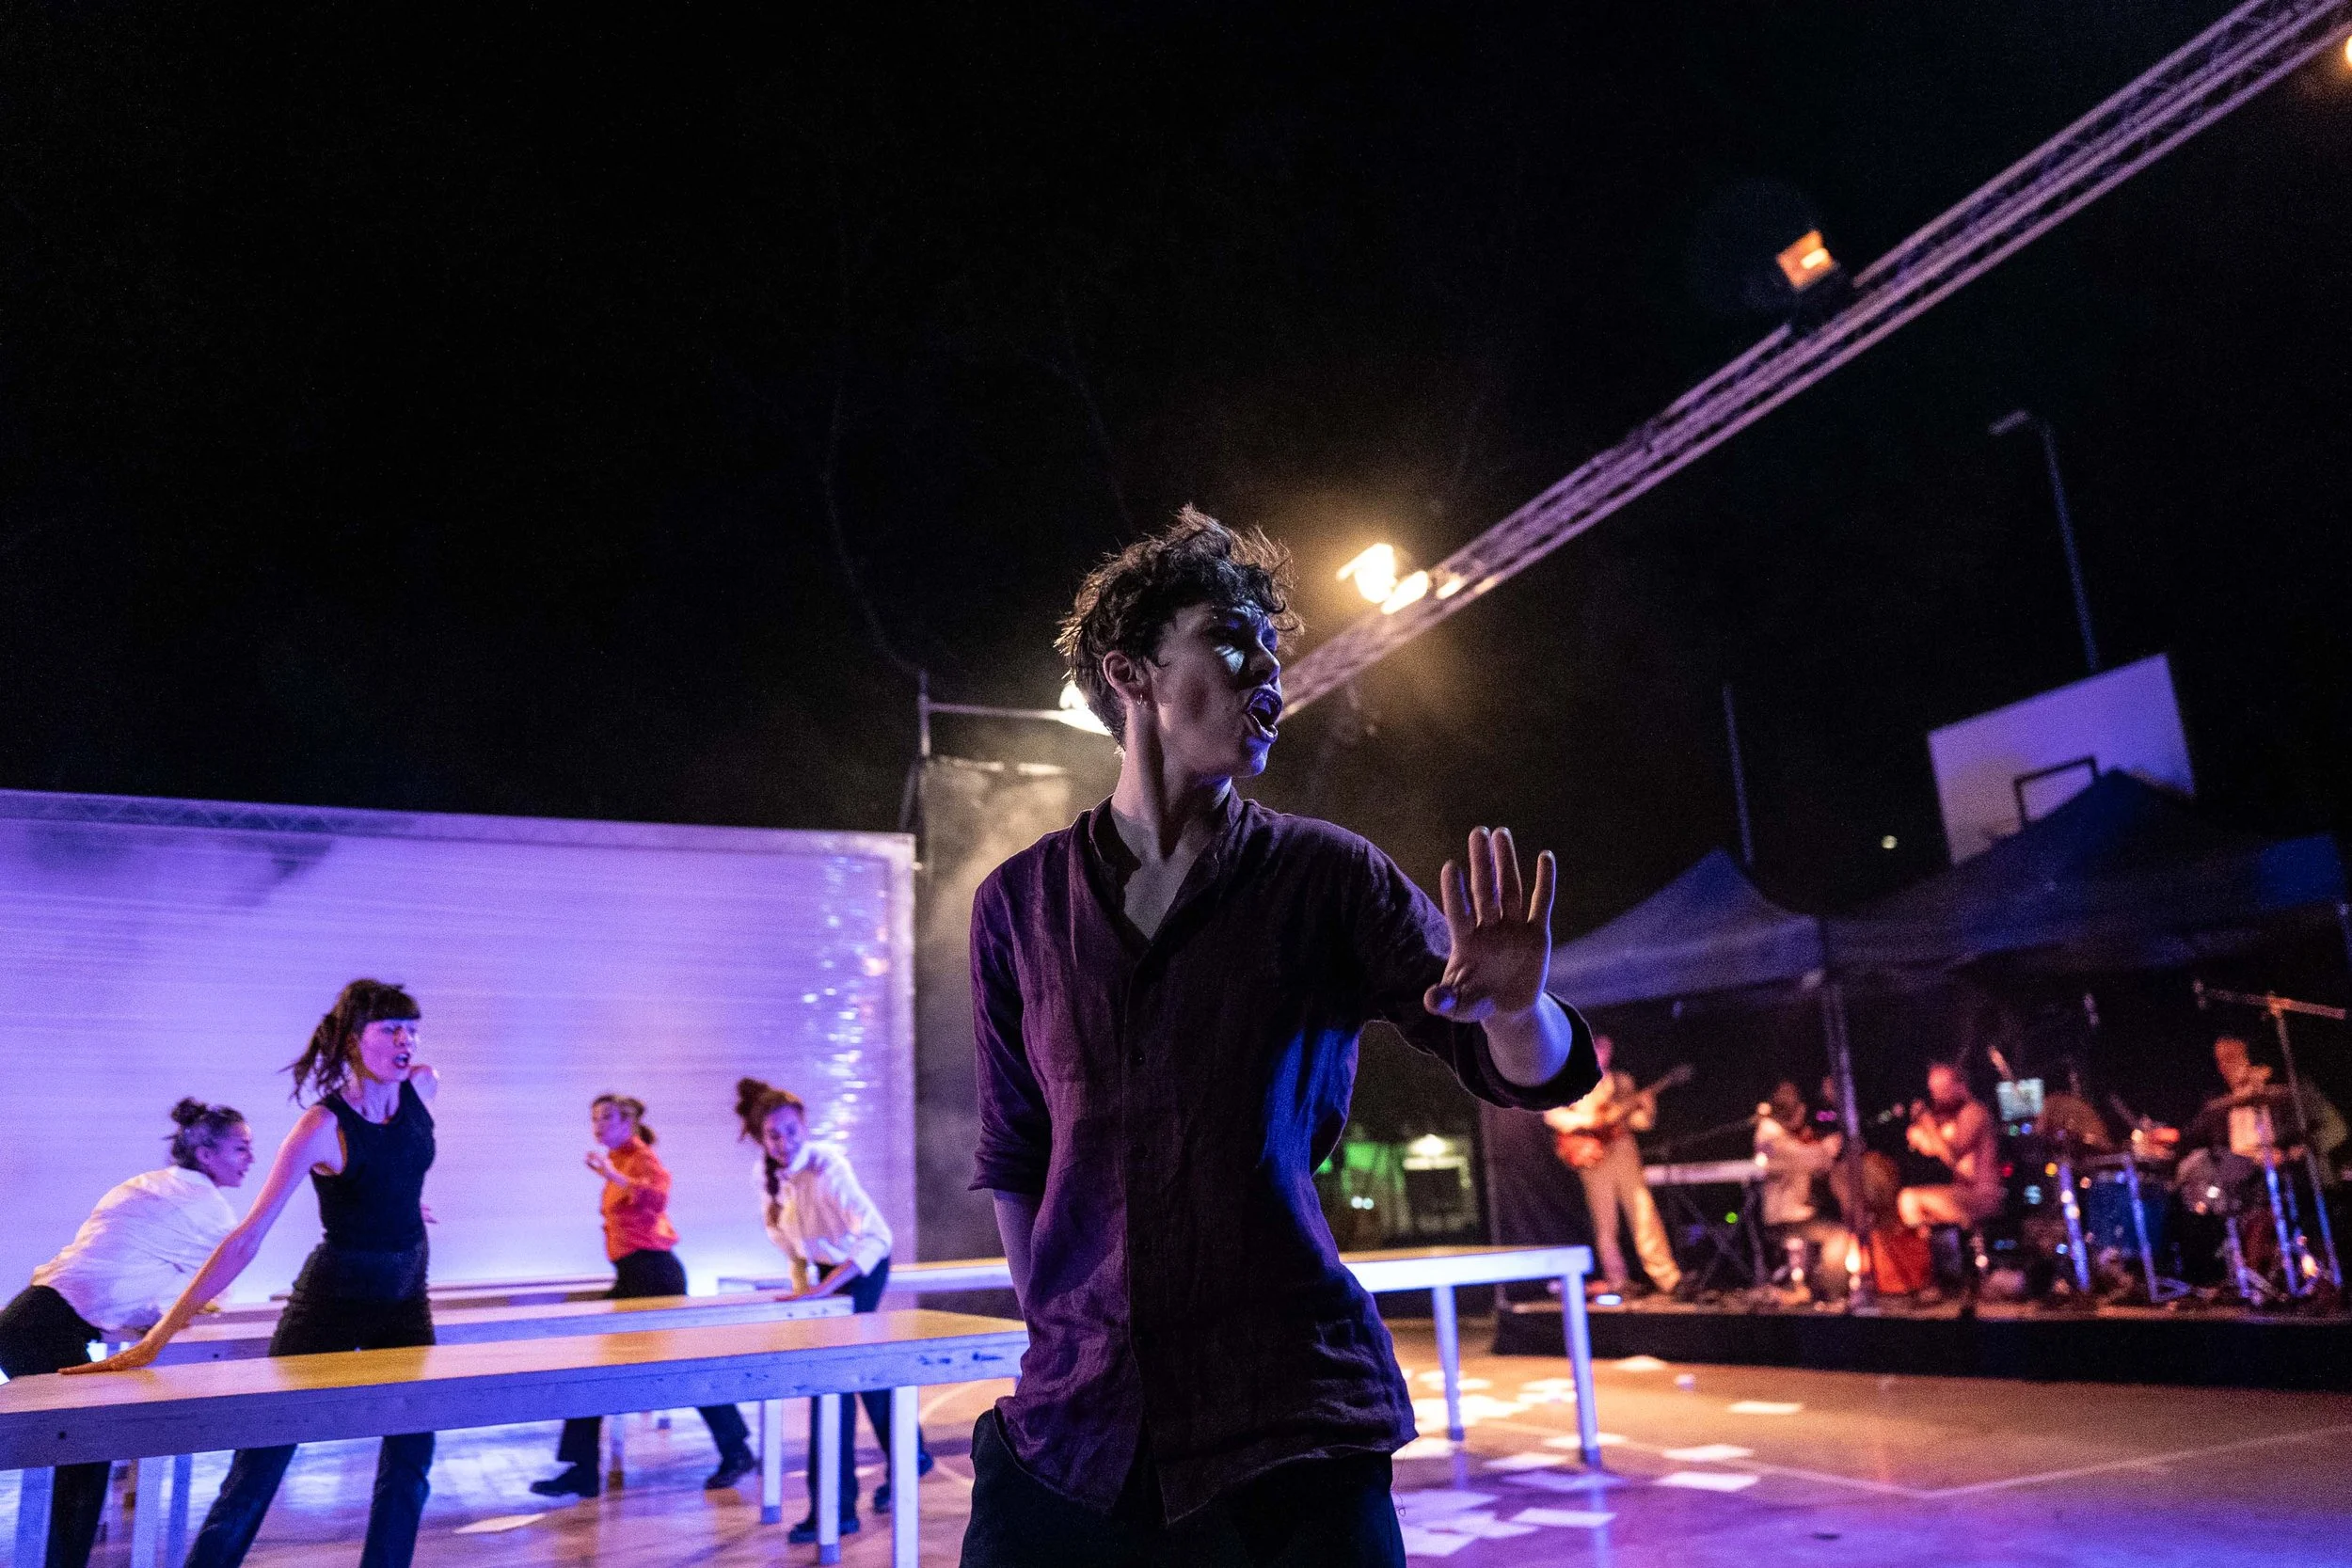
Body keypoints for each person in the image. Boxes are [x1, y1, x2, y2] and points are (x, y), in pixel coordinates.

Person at [963, 510, 1596, 1566]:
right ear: (1131, 672)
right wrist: (1065, 1328)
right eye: (1229, 635)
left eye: (1272, 644)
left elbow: (1511, 1068)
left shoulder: (1326, 875)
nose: (1268, 665)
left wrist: (1519, 1009)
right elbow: (1015, 1148)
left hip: (1289, 1426)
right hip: (1072, 1437)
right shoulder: (1016, 904)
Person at [70, 980, 440, 1568]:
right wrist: (157, 1339)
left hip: (406, 1289)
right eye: (391, 1029)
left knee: (414, 1449)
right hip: (334, 1295)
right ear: (352, 1041)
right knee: (263, 1457)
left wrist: (399, 1205)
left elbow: (398, 1168)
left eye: (412, 1029)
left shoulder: (422, 1085)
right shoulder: (321, 1125)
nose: (407, 1041)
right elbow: (246, 1238)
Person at [0, 1100, 254, 1568]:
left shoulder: (148, 1186)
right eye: (241, 1148)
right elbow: (213, 1289)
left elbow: (122, 1273)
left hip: (25, 1319)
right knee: (83, 1458)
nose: (251, 1160)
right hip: (43, 1328)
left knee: (80, 1461)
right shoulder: (206, 1209)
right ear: (205, 1154)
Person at [530, 1094, 755, 1499]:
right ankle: (582, 1469)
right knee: (590, 1363)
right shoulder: (619, 1160)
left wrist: (612, 1175)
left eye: (607, 1119)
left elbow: (657, 1197)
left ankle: (736, 1450)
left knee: (682, 1369)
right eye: (594, 1119)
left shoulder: (640, 1158)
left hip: (655, 1275)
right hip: (633, 1275)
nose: (598, 1127)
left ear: (628, 1122)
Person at [737, 1077, 931, 1542]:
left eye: (790, 1130)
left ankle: (835, 1510)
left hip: (859, 1270)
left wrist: (823, 1293)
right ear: (763, 1139)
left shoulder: (829, 1165)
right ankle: (909, 1457)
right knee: (851, 1376)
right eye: (773, 1135)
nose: (784, 1142)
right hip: (825, 1277)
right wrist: (805, 1291)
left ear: (806, 1125)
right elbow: (793, 1247)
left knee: (834, 1382)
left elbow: (877, 1237)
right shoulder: (767, 1176)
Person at [1542, 1035, 1682, 1298]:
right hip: (1594, 1155)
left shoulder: (1622, 1082)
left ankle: (1668, 1278)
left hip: (1624, 1151)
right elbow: (1551, 1114)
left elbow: (1639, 1122)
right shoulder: (1572, 1083)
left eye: (1605, 1050)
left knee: (1644, 1213)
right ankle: (1617, 1281)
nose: (1601, 1054)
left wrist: (1647, 1108)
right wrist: (1586, 1120)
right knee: (1606, 1223)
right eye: (1596, 1048)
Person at [2186, 1035, 2346, 1184]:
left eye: (2231, 1057)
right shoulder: (2221, 1107)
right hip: (2252, 1198)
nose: (2224, 1067)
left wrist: (2291, 1154)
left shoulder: (2289, 1088)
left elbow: (2337, 1129)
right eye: (2219, 1061)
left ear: (2249, 1057)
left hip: (2304, 1187)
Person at [1753, 1081, 1845, 1297]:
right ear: (1798, 1109)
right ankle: (1834, 1290)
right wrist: (1828, 1147)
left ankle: (1814, 1284)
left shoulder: (1778, 1135)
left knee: (1834, 1219)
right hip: (1785, 1219)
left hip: (1794, 1212)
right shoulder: (1771, 1136)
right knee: (1839, 1235)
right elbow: (1803, 1158)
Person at [1896, 1063, 2003, 1230]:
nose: (1936, 1097)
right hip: (1964, 1192)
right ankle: (1938, 1249)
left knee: (1909, 1199)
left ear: (1960, 1086)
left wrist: (1928, 1124)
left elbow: (1952, 1156)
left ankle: (1930, 1253)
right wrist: (1921, 1135)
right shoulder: (1955, 1118)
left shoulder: (1973, 1112)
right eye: (1933, 1091)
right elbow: (1936, 1145)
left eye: (1941, 1090)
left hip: (1982, 1195)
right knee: (1920, 1215)